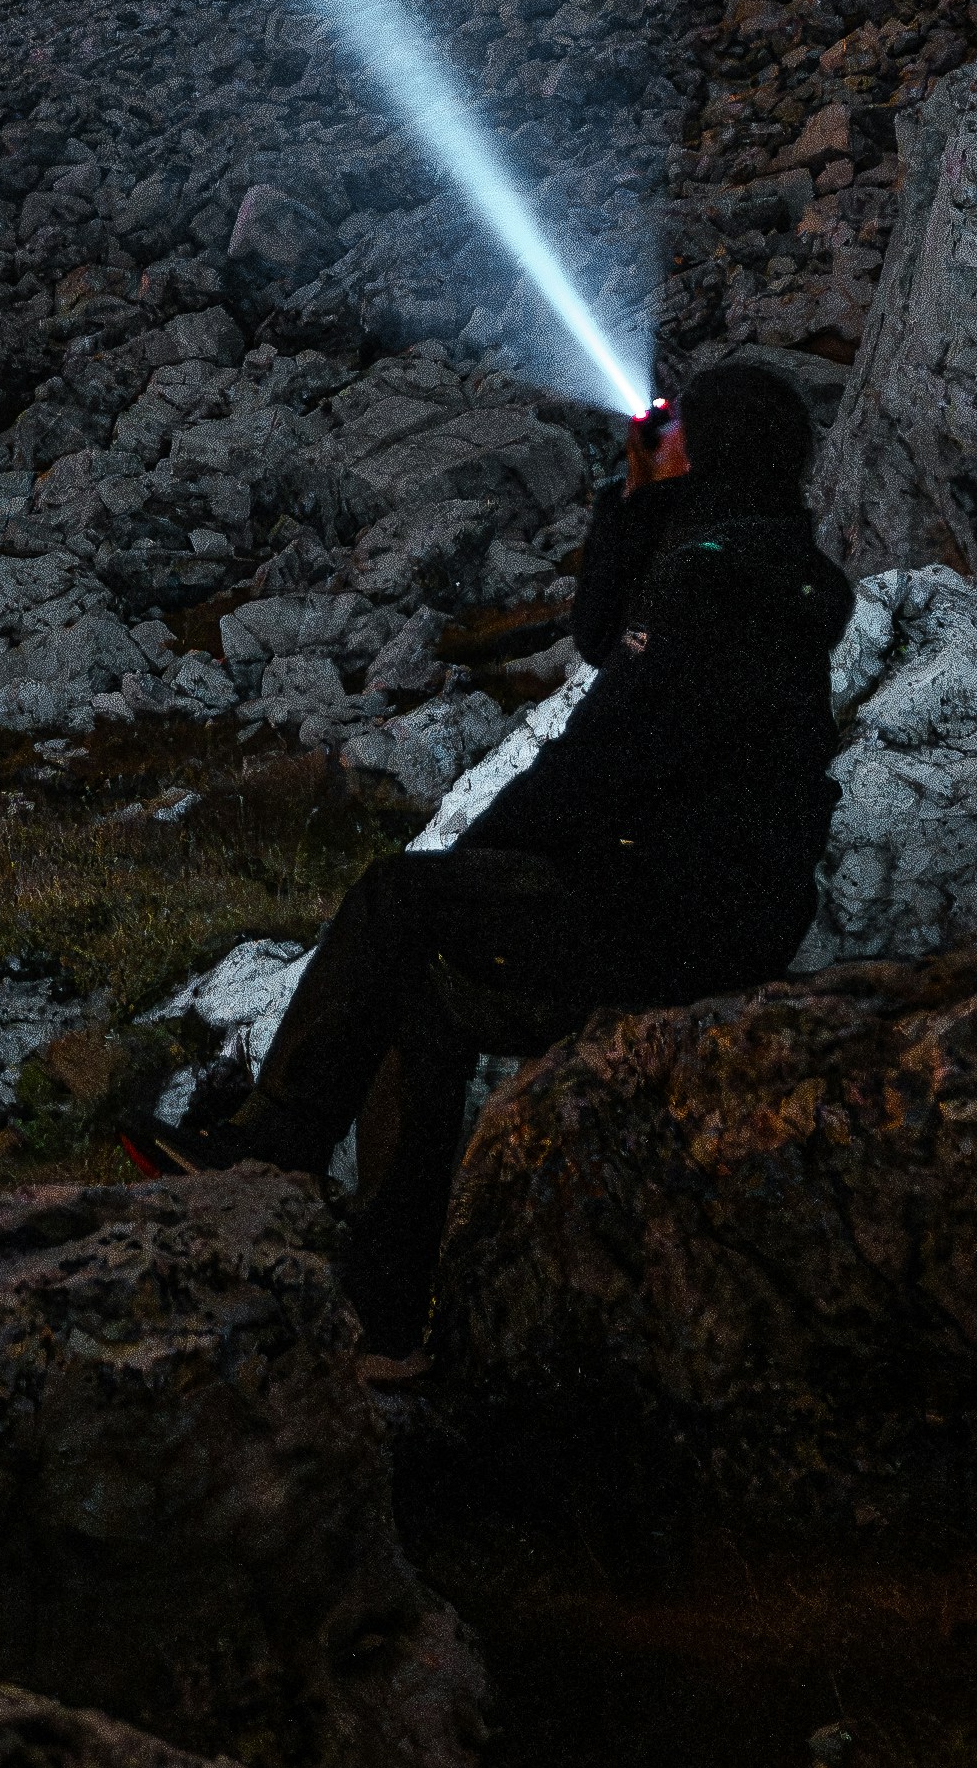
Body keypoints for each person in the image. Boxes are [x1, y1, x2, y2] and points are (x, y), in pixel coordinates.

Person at [204, 353, 851, 1353]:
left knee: (398, 901)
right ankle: (386, 1305)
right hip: (713, 908)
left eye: (676, 430)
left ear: (707, 447)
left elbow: (603, 753)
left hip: (669, 920)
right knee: (422, 994)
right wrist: (632, 500)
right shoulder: (748, 558)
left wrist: (484, 851)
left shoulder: (715, 580)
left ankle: (267, 1152)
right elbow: (602, 639)